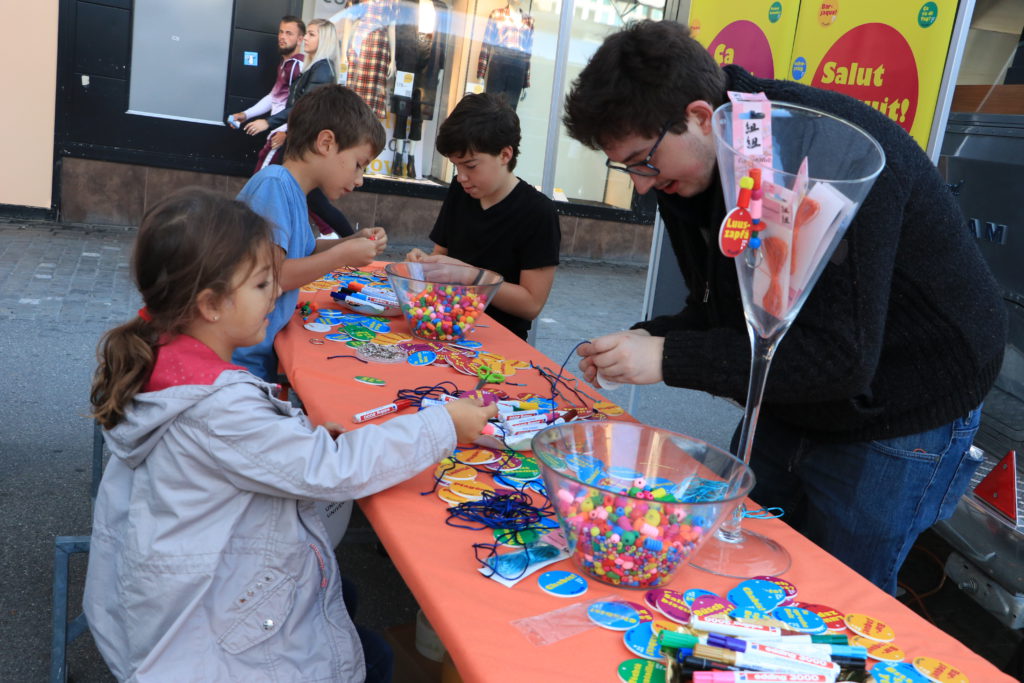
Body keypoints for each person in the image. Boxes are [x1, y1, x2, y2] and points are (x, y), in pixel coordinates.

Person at [563, 20, 1007, 594]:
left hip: (905, 401)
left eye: (642, 162)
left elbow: (839, 358)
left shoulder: (829, 155)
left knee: (840, 595)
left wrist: (670, 357)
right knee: (734, 561)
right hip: (801, 390)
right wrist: (644, 339)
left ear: (700, 116)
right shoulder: (689, 174)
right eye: (624, 167)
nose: (641, 186)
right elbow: (731, 312)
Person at [84, 188, 496, 681]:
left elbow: (249, 455)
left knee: (343, 596)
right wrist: (444, 424)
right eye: (262, 285)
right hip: (199, 639)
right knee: (374, 658)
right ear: (211, 304)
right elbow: (334, 472)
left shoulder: (164, 361)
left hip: (167, 598)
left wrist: (299, 437)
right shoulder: (219, 405)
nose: (275, 294)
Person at [234, 84, 388, 381]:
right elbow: (273, 277)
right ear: (326, 143)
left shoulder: (291, 191)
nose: (359, 180)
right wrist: (342, 255)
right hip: (237, 365)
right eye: (359, 165)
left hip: (256, 358)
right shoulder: (274, 185)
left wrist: (348, 242)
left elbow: (301, 251)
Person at [405, 93, 560, 340]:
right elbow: (441, 257)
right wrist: (425, 265)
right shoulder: (460, 190)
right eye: (456, 166)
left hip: (498, 341)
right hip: (445, 323)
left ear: (505, 155)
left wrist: (469, 276)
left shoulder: (538, 212)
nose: (461, 176)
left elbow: (531, 304)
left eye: (471, 166)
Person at [249, 18, 358, 237]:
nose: (305, 39)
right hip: (300, 140)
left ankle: (253, 230)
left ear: (323, 39)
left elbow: (304, 107)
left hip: (300, 142)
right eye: (306, 34)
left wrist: (272, 124)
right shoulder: (314, 67)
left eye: (311, 34)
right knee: (308, 198)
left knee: (269, 182)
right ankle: (344, 239)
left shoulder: (322, 69)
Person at [229, 15, 305, 170]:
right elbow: (274, 97)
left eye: (289, 33)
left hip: (282, 138)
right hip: (277, 134)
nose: (283, 37)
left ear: (300, 39)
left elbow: (303, 106)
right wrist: (245, 115)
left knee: (262, 180)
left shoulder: (298, 65)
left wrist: (288, 134)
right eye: (281, 32)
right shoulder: (285, 63)